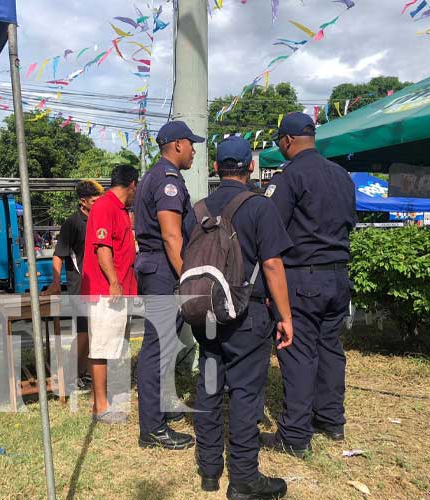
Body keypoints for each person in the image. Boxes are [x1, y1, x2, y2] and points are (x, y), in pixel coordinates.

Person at [184, 137, 294, 499]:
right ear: (250, 167)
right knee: (246, 393)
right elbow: (273, 265)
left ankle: (210, 470)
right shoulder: (259, 207)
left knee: (210, 385)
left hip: (206, 316)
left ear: (216, 167)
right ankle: (245, 478)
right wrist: (285, 316)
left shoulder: (196, 210)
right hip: (247, 317)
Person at [261, 112, 356, 457]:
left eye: (278, 142)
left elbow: (269, 229)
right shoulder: (342, 176)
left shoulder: (289, 177)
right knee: (330, 348)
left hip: (303, 276)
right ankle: (331, 421)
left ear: (286, 141)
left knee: (298, 352)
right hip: (339, 274)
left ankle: (295, 436)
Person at [133, 120, 204, 449]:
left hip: (157, 267)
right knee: (157, 348)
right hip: (164, 269)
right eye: (191, 144)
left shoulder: (154, 175)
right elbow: (171, 235)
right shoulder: (168, 180)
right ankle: (152, 428)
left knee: (162, 346)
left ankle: (159, 411)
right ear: (177, 144)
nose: (193, 150)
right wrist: (187, 279)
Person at [81, 166, 139, 423]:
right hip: (106, 291)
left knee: (113, 345)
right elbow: (102, 247)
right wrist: (114, 282)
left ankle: (106, 399)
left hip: (119, 290)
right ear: (132, 185)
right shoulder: (105, 206)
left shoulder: (120, 210)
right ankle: (100, 406)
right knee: (102, 347)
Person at [44, 180, 104, 388]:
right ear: (83, 201)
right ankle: (74, 375)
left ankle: (87, 371)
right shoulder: (73, 223)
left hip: (98, 283)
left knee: (96, 330)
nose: (98, 204)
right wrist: (55, 283)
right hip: (79, 284)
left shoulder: (100, 219)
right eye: (95, 201)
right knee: (83, 331)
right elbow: (58, 255)